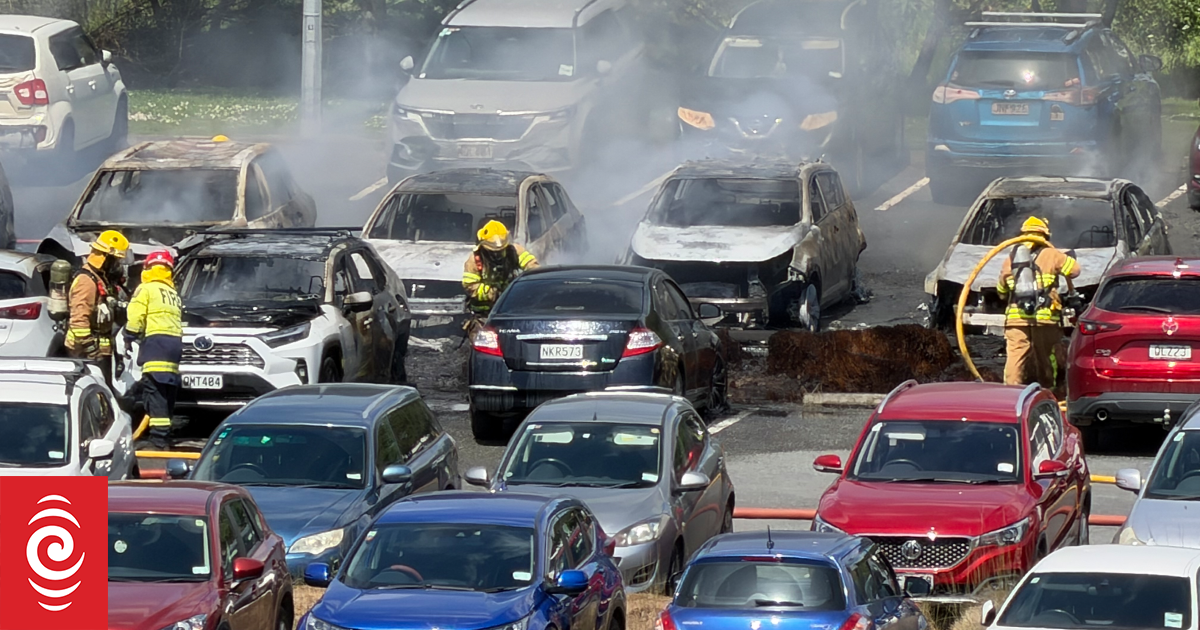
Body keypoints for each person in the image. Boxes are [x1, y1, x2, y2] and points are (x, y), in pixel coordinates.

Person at [996, 216, 1080, 388]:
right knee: (1047, 356)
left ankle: (1010, 394)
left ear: (1023, 234)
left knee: (1015, 358)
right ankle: (1049, 391)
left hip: (1017, 317)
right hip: (1045, 317)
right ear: (1045, 235)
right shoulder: (1051, 254)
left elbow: (1001, 289)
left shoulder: (1012, 257)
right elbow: (1075, 271)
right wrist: (1067, 258)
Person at [123, 250, 183, 445]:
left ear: (148, 268)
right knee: (166, 391)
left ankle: (158, 440)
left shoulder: (146, 289)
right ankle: (164, 434)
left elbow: (136, 317)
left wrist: (128, 335)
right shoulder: (172, 293)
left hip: (156, 345)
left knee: (154, 391)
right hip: (174, 347)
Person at [66, 230, 129, 382]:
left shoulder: (101, 279)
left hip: (101, 351)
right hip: (85, 353)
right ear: (105, 258)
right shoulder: (86, 281)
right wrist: (92, 352)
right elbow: (79, 322)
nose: (118, 266)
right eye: (115, 261)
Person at [462, 220, 538, 319]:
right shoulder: (475, 260)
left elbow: (533, 268)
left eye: (501, 250)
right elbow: (470, 285)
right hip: (485, 312)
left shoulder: (515, 251)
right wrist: (494, 293)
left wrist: (523, 288)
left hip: (511, 308)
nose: (497, 254)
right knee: (482, 333)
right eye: (493, 251)